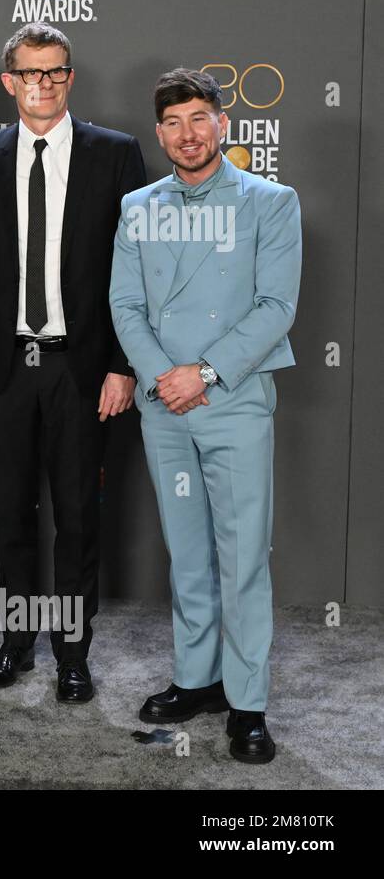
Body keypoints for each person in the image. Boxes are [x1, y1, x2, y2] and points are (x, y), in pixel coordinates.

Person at [110, 68, 301, 763]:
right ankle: (198, 679)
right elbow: (125, 305)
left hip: (235, 401)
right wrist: (164, 378)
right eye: (173, 123)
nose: (187, 135)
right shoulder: (138, 205)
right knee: (188, 555)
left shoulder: (270, 202)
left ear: (221, 124)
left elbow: (276, 307)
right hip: (164, 405)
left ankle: (248, 702)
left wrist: (206, 372)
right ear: (158, 133)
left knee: (243, 557)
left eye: (199, 119)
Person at [0, 22, 146, 702]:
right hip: (5, 368)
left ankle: (74, 653)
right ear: (9, 81)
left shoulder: (115, 154)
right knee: (11, 516)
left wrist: (123, 365)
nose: (43, 84)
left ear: (70, 78)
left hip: (82, 367)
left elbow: (139, 270)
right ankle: (17, 643)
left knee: (77, 518)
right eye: (30, 73)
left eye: (56, 72)